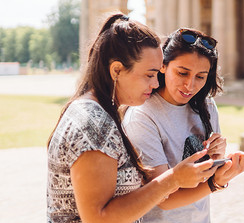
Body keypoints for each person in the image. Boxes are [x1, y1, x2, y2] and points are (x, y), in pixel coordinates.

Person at [47, 14, 219, 223]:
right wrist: (173, 179)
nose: (156, 84)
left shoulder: (95, 112)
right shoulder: (94, 123)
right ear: (116, 70)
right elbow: (98, 219)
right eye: (149, 75)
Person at [122, 28, 244, 222]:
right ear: (163, 66)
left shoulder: (206, 106)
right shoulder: (142, 116)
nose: (190, 86)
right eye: (182, 73)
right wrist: (215, 184)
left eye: (200, 77)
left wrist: (219, 160)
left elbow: (205, 176)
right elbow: (163, 198)